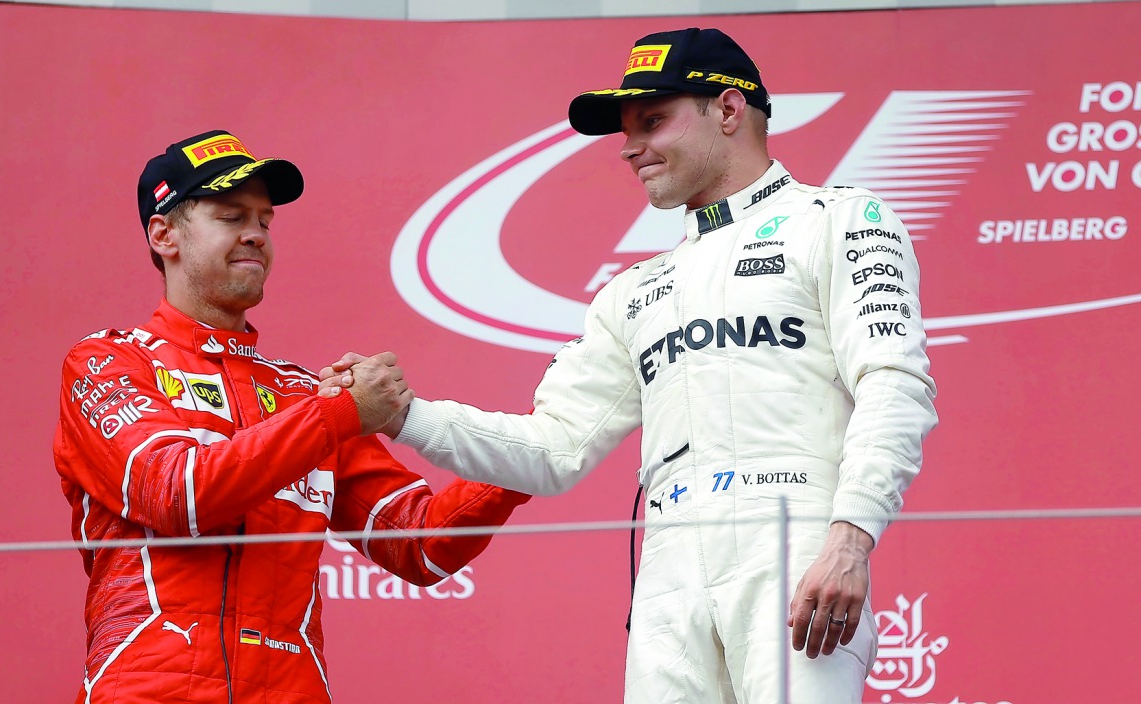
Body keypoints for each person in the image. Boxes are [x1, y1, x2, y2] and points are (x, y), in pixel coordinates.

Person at [330, 28, 938, 703]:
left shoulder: (842, 219)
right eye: (626, 129)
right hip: (668, 561)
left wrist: (850, 539)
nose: (629, 147)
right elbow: (555, 448)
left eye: (653, 121)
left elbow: (894, 384)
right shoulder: (635, 290)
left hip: (793, 543)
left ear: (729, 111)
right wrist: (407, 416)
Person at [53, 129, 529, 703]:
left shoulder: (304, 395)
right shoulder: (107, 362)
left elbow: (421, 546)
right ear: (164, 235)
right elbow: (177, 494)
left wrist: (524, 452)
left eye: (265, 220)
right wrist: (339, 415)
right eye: (231, 216)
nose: (255, 233)